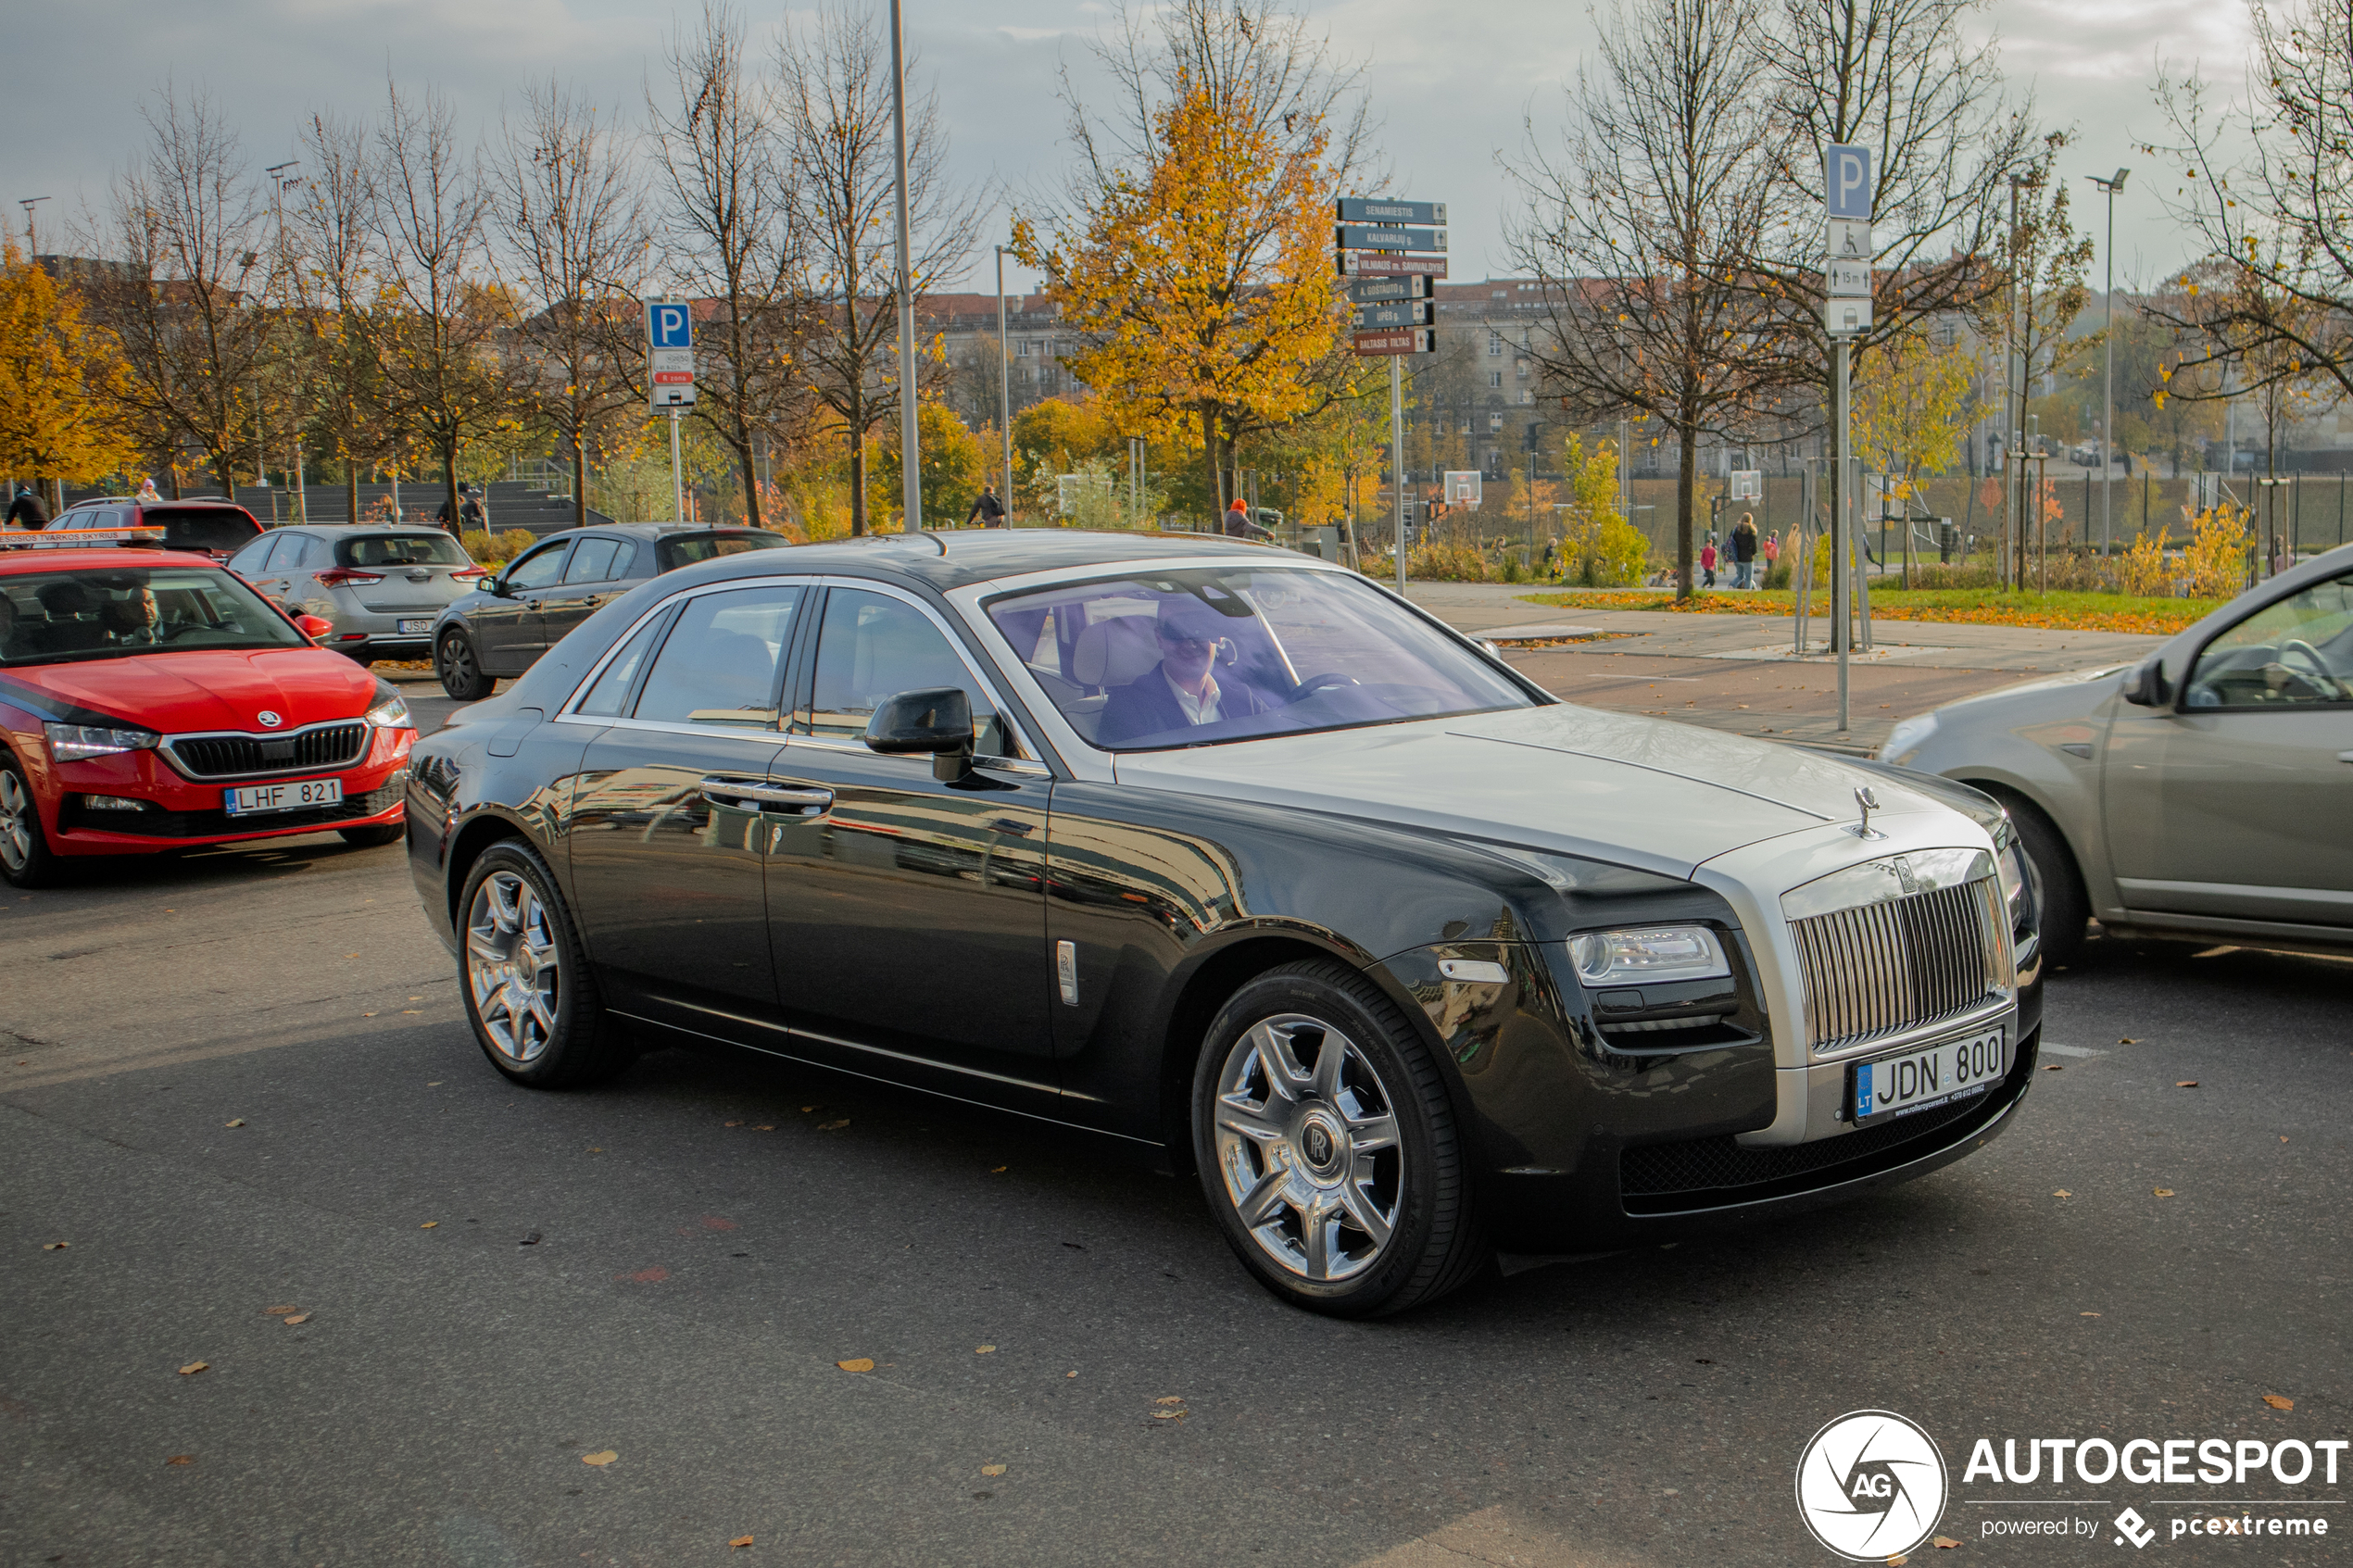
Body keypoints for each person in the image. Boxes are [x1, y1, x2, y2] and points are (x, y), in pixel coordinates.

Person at [1097, 597, 1277, 744]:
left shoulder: (1244, 699)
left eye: (1199, 628)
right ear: (1159, 638)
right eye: (1175, 630)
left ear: (1217, 636)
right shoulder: (1127, 708)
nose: (1189, 644)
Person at [1731, 512, 1759, 589]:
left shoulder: (1737, 530)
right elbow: (1754, 547)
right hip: (1747, 558)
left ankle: (1731, 585)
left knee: (1739, 576)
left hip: (1738, 557)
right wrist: (1752, 553)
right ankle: (1746, 593)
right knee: (1748, 578)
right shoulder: (1751, 532)